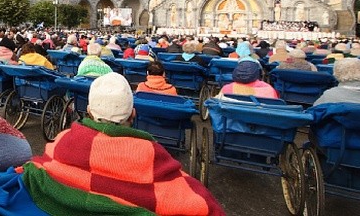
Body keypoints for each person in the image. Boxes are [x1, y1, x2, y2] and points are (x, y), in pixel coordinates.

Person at [20, 72, 224, 215]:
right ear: (133, 114)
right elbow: (198, 203)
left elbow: (41, 164)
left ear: (89, 112)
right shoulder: (151, 154)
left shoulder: (63, 139)